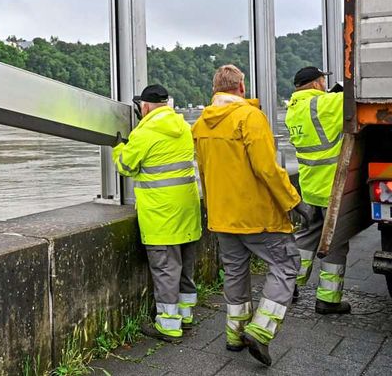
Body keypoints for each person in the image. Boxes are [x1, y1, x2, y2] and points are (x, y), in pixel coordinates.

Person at [192, 65, 308, 367]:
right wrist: (293, 201)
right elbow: (267, 169)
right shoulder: (250, 118)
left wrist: (212, 210)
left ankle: (235, 334)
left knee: (235, 271)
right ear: (241, 87)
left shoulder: (201, 126)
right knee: (285, 265)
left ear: (215, 89)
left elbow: (203, 173)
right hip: (257, 215)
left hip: (222, 216)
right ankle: (261, 330)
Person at [113, 85, 202, 342]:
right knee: (185, 268)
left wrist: (118, 147)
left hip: (161, 214)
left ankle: (168, 325)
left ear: (146, 106)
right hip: (188, 210)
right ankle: (185, 316)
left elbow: (126, 167)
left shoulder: (145, 132)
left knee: (165, 270)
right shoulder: (184, 127)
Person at [285, 66, 350, 314]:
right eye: (323, 81)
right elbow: (355, 98)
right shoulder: (323, 104)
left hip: (309, 187)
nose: (325, 85)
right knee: (335, 242)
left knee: (308, 236)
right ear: (315, 84)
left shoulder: (292, 110)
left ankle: (289, 285)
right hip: (331, 188)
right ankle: (328, 299)